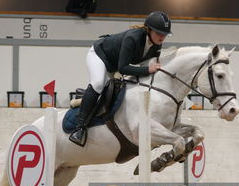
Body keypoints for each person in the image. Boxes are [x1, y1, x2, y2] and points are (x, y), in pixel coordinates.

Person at [69, 11, 172, 146]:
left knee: (123, 89)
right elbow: (123, 68)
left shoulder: (157, 44)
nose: (162, 37)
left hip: (115, 65)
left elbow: (147, 67)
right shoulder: (133, 38)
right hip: (100, 55)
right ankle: (79, 128)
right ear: (148, 30)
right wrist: (147, 70)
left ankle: (82, 100)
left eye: (164, 34)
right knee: (98, 83)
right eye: (159, 33)